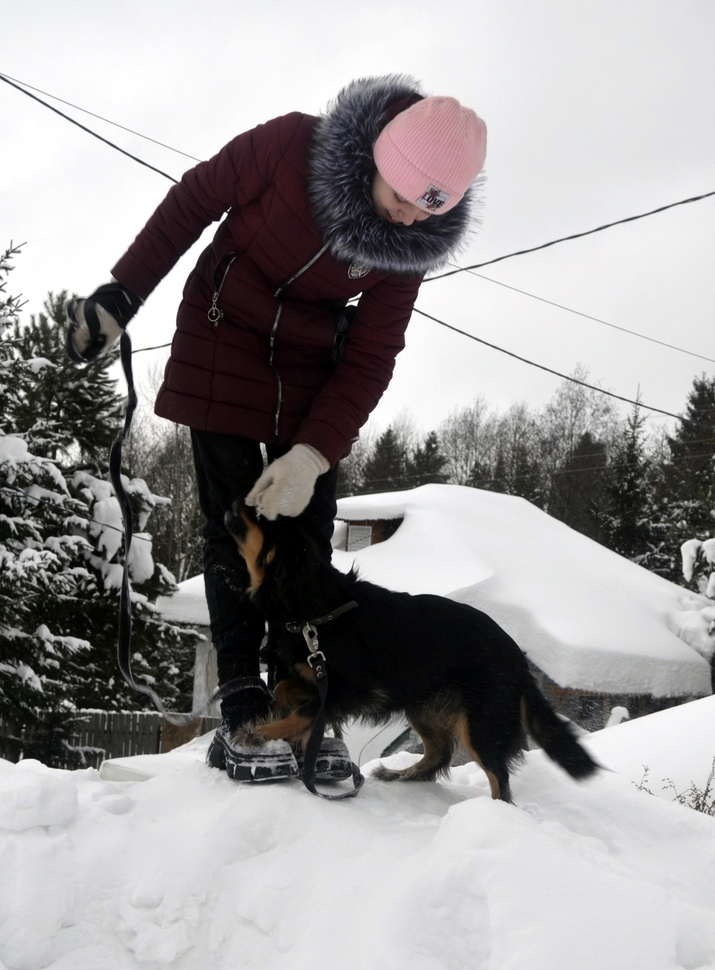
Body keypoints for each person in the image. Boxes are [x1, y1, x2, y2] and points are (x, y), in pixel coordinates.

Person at [67, 74, 487, 783]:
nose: (411, 221)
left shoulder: (403, 249)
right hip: (221, 336)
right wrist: (123, 291)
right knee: (236, 528)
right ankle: (243, 705)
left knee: (306, 533)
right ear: (378, 159)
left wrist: (313, 455)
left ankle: (303, 703)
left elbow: (372, 354)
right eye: (403, 199)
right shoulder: (289, 146)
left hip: (313, 368)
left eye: (428, 210)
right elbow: (191, 202)